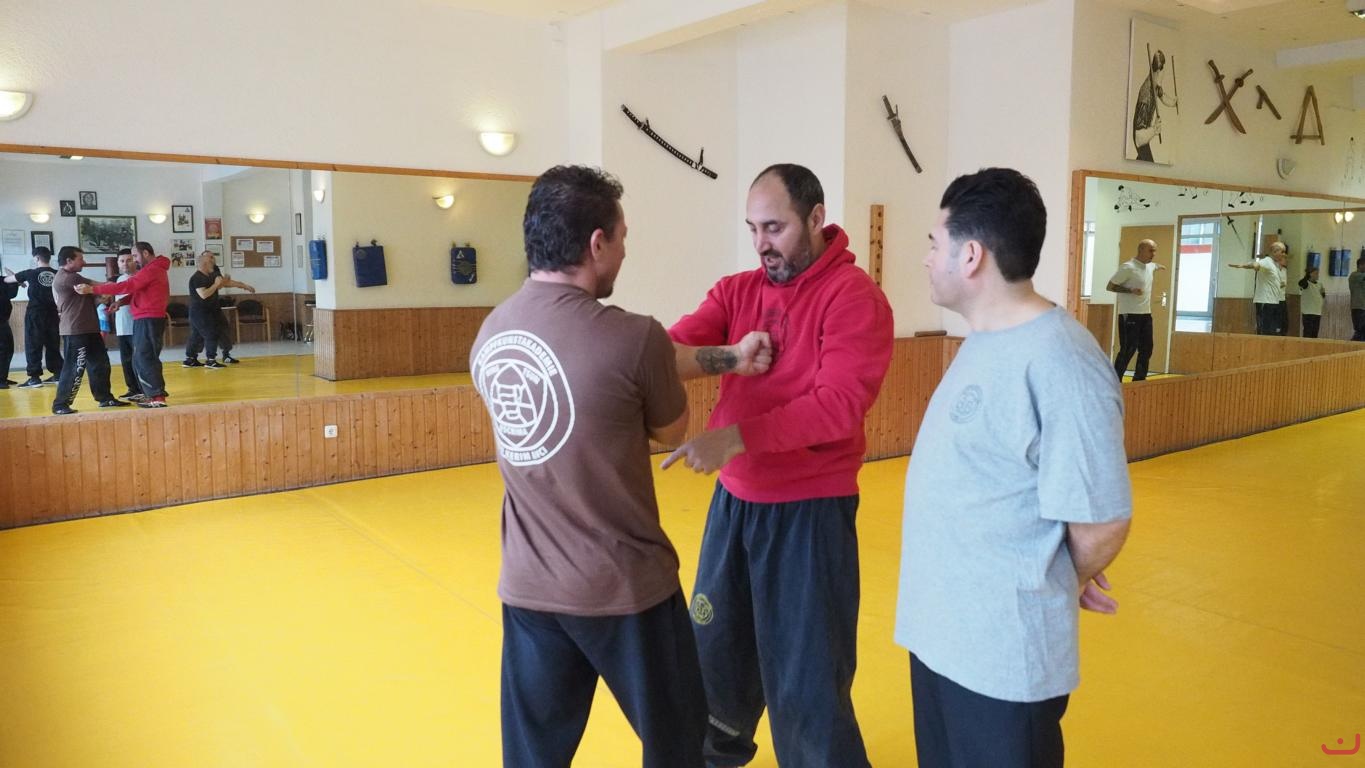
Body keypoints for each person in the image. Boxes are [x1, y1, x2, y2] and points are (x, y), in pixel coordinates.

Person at [470, 165, 753, 768]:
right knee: (677, 746)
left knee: (534, 758)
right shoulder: (634, 336)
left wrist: (730, 356)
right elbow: (669, 430)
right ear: (597, 243)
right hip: (626, 590)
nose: (624, 251)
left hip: (529, 589)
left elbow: (595, 380)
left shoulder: (491, 335)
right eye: (622, 238)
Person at [896, 167, 1133, 768]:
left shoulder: (1062, 361)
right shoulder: (983, 340)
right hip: (942, 640)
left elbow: (1102, 522)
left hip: (1003, 661)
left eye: (934, 242)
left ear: (971, 255)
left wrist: (1054, 575)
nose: (927, 258)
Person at [663, 163, 894, 768]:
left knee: (806, 676)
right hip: (736, 504)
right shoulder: (736, 291)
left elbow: (838, 406)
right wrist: (728, 358)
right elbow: (669, 353)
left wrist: (735, 438)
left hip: (808, 513)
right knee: (714, 656)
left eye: (774, 227)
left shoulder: (853, 297)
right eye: (752, 228)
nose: (761, 243)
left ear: (815, 218)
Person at [76, 241, 171, 408]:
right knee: (141, 357)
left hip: (149, 318)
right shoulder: (153, 269)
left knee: (145, 357)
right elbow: (137, 291)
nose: (134, 260)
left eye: (135, 256)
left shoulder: (152, 269)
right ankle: (152, 394)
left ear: (145, 253)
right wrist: (121, 302)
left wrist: (93, 290)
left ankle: (157, 397)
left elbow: (128, 285)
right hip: (146, 318)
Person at [49, 246, 128, 414]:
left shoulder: (73, 278)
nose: (83, 262)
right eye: (80, 259)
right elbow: (97, 285)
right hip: (76, 330)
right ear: (69, 260)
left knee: (100, 363)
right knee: (75, 367)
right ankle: (60, 404)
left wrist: (102, 297)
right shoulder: (68, 277)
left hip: (89, 328)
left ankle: (104, 398)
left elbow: (90, 299)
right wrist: (120, 284)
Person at [1105, 239, 1166, 381]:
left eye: (1155, 251)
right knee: (1128, 349)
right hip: (1129, 315)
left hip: (1145, 315)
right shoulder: (1128, 267)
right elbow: (1110, 286)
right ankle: (1114, 381)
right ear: (1141, 250)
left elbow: (1154, 266)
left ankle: (1139, 380)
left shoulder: (1150, 266)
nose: (1154, 254)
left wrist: (1159, 266)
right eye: (1151, 250)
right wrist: (1130, 290)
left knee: (1147, 349)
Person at [3, 246, 63, 387]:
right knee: (53, 343)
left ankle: (34, 378)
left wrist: (18, 280)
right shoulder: (58, 273)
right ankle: (58, 374)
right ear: (49, 257)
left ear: (36, 258)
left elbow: (6, 280)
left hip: (35, 313)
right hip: (54, 313)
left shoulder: (30, 273)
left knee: (33, 344)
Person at [185, 252, 254, 369]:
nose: (213, 261)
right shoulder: (197, 277)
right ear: (204, 263)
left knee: (210, 332)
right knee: (210, 334)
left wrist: (242, 285)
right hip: (200, 311)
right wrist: (217, 284)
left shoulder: (211, 272)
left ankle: (191, 359)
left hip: (212, 309)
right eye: (210, 259)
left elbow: (223, 283)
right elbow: (204, 294)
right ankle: (210, 360)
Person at [1228, 242, 1287, 335]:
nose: (1284, 254)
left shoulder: (1275, 265)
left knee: (1273, 331)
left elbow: (1273, 281)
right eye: (1282, 252)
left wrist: (1280, 284)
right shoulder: (1267, 261)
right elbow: (1256, 264)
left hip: (1273, 302)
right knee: (1265, 331)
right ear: (1274, 251)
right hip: (1266, 302)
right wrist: (1246, 265)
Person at [109, 248, 143, 400]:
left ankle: (144, 389)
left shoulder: (141, 277)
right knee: (126, 360)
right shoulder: (120, 280)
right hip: (122, 325)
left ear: (135, 260)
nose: (125, 264)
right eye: (122, 261)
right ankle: (132, 389)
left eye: (129, 260)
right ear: (117, 263)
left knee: (139, 359)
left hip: (137, 324)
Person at [1131, 49, 1173, 162]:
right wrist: (1154, 130)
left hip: (1146, 133)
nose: (1163, 76)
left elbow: (1162, 96)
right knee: (1148, 163)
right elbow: (1138, 138)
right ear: (1158, 72)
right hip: (1141, 138)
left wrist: (1174, 103)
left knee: (1143, 163)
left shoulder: (1156, 84)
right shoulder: (1145, 95)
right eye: (1163, 73)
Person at [1298, 265, 1327, 339]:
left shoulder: (1320, 284)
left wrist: (1323, 293)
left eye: (1318, 273)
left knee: (1315, 333)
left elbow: (1323, 296)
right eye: (1316, 273)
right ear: (1311, 274)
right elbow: (1300, 283)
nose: (1318, 275)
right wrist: (1306, 275)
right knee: (1308, 332)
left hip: (1317, 312)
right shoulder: (1306, 284)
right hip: (1308, 312)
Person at [0, 274, 18, 389]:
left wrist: (15, 282)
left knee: (8, 350)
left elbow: (12, 294)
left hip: (3, 321)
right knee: (2, 350)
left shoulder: (3, 280)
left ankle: (3, 377)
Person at [1350, 256, 1365, 342]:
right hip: (1358, 307)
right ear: (1360, 265)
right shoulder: (1354, 275)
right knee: (1359, 331)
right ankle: (1352, 346)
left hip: (1363, 307)